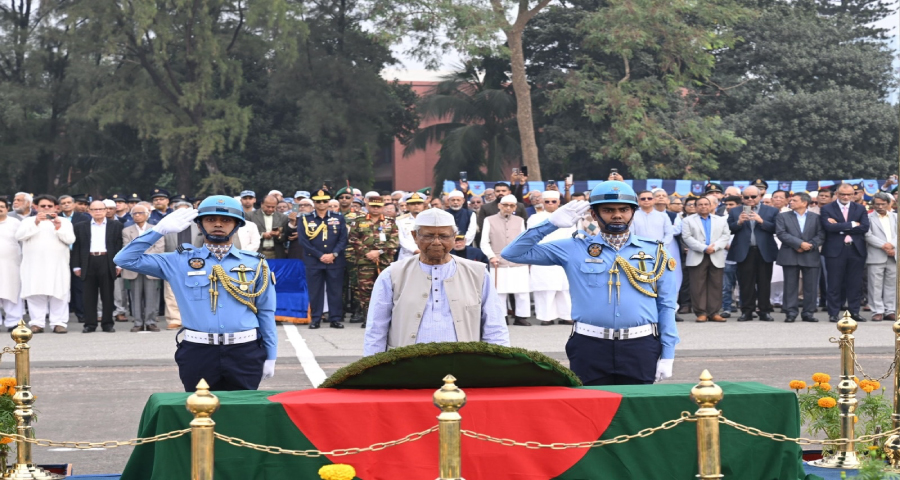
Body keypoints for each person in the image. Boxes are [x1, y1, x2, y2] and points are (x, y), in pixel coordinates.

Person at [502, 181, 678, 385]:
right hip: (589, 346)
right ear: (594, 214)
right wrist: (550, 223)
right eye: (608, 210)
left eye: (624, 209)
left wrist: (668, 353)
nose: (617, 215)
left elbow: (666, 305)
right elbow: (512, 253)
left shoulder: (654, 251)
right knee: (590, 412)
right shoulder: (574, 247)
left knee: (635, 411)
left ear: (633, 213)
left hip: (640, 346)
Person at [114, 196, 277, 391]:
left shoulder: (255, 262)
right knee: (199, 416)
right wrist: (157, 231)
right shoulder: (179, 261)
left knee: (243, 417)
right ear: (199, 225)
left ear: (237, 225)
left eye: (226, 220)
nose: (218, 224)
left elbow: (266, 311)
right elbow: (125, 260)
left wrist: (271, 354)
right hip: (199, 352)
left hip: (244, 351)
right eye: (210, 219)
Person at [362, 208, 509, 355]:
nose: (436, 242)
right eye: (429, 236)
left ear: (454, 236)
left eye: (444, 236)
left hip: (463, 365)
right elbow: (376, 329)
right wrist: (371, 371)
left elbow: (495, 327)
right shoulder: (392, 275)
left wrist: (498, 367)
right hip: (407, 366)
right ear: (414, 236)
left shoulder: (478, 274)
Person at [16, 195, 76, 334]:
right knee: (35, 293)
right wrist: (35, 223)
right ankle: (37, 323)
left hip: (57, 265)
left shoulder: (64, 222)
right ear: (35, 207)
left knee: (59, 293)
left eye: (50, 206)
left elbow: (70, 239)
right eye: (43, 206)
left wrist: (58, 227)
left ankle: (58, 323)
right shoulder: (28, 221)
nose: (47, 208)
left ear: (56, 207)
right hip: (34, 265)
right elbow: (19, 236)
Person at [293, 189, 347, 329]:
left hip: (334, 260)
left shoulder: (338, 218)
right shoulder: (305, 219)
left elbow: (343, 239)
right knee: (315, 290)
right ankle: (316, 318)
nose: (321, 204)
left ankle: (335, 318)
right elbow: (304, 241)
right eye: (318, 201)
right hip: (314, 260)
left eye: (324, 201)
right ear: (314, 202)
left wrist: (333, 254)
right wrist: (320, 255)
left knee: (335, 290)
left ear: (328, 202)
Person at [727, 186, 779, 322]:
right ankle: (747, 311)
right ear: (742, 198)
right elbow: (729, 229)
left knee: (764, 282)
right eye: (746, 197)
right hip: (745, 251)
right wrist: (738, 222)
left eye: (753, 197)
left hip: (764, 250)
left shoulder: (771, 210)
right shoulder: (735, 211)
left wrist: (761, 221)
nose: (750, 200)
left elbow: (777, 229)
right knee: (745, 283)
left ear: (760, 196)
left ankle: (764, 311)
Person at [72, 200, 124, 334]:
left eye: (101, 209)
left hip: (107, 260)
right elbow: (76, 247)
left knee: (107, 294)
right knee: (88, 295)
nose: (98, 212)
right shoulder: (80, 226)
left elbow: (119, 246)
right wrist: (76, 266)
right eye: (94, 209)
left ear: (106, 210)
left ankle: (107, 323)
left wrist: (119, 264)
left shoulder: (116, 225)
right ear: (89, 211)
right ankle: (90, 324)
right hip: (88, 260)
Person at [347, 195, 399, 328]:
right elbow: (353, 239)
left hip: (384, 262)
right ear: (367, 206)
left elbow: (394, 241)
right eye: (373, 206)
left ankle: (386, 319)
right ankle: (368, 319)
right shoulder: (359, 221)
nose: (375, 209)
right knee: (365, 292)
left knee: (386, 290)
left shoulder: (390, 222)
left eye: (378, 206)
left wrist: (379, 252)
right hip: (365, 262)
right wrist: (367, 252)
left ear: (383, 207)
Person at [821, 183, 870, 323]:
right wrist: (853, 224)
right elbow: (828, 227)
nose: (845, 197)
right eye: (842, 194)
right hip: (835, 250)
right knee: (834, 283)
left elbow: (865, 227)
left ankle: (854, 312)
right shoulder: (827, 208)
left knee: (855, 283)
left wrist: (839, 226)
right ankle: (833, 313)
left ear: (853, 195)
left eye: (849, 194)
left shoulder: (860, 208)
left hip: (855, 250)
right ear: (837, 194)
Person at [481, 195, 531, 326]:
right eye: (505, 205)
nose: (508, 208)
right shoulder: (489, 220)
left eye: (511, 206)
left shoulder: (520, 220)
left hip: (518, 260)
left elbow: (523, 240)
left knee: (522, 291)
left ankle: (521, 317)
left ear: (515, 207)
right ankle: (502, 317)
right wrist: (491, 256)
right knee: (500, 292)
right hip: (498, 260)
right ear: (499, 206)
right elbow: (484, 242)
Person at [775, 192, 825, 323]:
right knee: (790, 286)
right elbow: (781, 233)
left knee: (811, 286)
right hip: (790, 253)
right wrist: (799, 244)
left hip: (810, 253)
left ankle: (808, 312)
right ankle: (790, 312)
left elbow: (821, 234)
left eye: (794, 200)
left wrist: (810, 245)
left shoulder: (816, 217)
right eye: (791, 200)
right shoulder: (783, 216)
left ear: (804, 203)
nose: (791, 202)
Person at [526, 190, 574, 326]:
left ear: (559, 202)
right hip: (543, 256)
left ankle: (567, 315)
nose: (551, 204)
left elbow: (573, 237)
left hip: (564, 256)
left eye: (554, 201)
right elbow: (531, 238)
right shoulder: (534, 218)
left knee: (565, 289)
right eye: (547, 201)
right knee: (545, 290)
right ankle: (546, 317)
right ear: (542, 202)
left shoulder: (568, 217)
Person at [681, 197, 730, 322]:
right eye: (700, 204)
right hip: (698, 254)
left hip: (716, 254)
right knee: (697, 285)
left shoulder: (720, 220)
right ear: (696, 207)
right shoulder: (688, 220)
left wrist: (715, 247)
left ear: (712, 206)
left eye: (706, 204)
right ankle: (701, 312)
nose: (703, 206)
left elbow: (726, 236)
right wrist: (703, 248)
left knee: (716, 284)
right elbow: (687, 237)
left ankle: (714, 312)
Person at [121, 204, 163, 332]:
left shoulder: (156, 229)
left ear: (147, 215)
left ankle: (150, 321)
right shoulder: (127, 231)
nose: (137, 215)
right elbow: (127, 248)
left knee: (152, 296)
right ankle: (138, 322)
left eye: (140, 213)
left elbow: (159, 248)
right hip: (134, 267)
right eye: (134, 213)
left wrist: (143, 258)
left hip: (150, 266)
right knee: (135, 296)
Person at [160, 201, 197, 330]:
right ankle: (174, 319)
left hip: (196, 263)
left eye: (185, 211)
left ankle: (194, 319)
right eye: (179, 211)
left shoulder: (199, 226)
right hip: (173, 261)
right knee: (171, 292)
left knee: (196, 291)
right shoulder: (167, 227)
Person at [865, 192, 896, 321]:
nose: (880, 207)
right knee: (875, 285)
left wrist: (892, 245)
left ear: (889, 204)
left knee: (892, 284)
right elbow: (867, 235)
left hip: (894, 254)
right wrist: (884, 246)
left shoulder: (896, 217)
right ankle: (877, 311)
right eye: (877, 204)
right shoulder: (868, 217)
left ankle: (890, 310)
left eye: (883, 204)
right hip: (876, 254)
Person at [0, 200, 23, 331]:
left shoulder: (15, 223)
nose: (0, 209)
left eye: (2, 207)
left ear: (7, 209)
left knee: (12, 292)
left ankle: (14, 322)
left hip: (12, 264)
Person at [720, 195, 742, 317]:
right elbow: (717, 237)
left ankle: (746, 308)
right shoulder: (721, 219)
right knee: (726, 286)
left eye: (731, 205)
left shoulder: (746, 218)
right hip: (726, 257)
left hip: (742, 256)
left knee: (744, 285)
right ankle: (726, 308)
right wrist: (728, 246)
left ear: (739, 206)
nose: (728, 207)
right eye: (726, 205)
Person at [249, 195, 288, 259]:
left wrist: (278, 235)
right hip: (256, 252)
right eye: (268, 207)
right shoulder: (250, 216)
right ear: (262, 204)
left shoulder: (283, 217)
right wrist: (262, 235)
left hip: (276, 253)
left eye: (273, 207)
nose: (270, 209)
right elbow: (246, 234)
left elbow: (286, 236)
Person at [396, 192, 427, 260]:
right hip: (407, 256)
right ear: (407, 206)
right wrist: (415, 250)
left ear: (423, 206)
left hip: (427, 254)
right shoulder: (400, 220)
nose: (416, 206)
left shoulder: (429, 219)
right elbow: (401, 239)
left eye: (419, 203)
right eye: (413, 204)